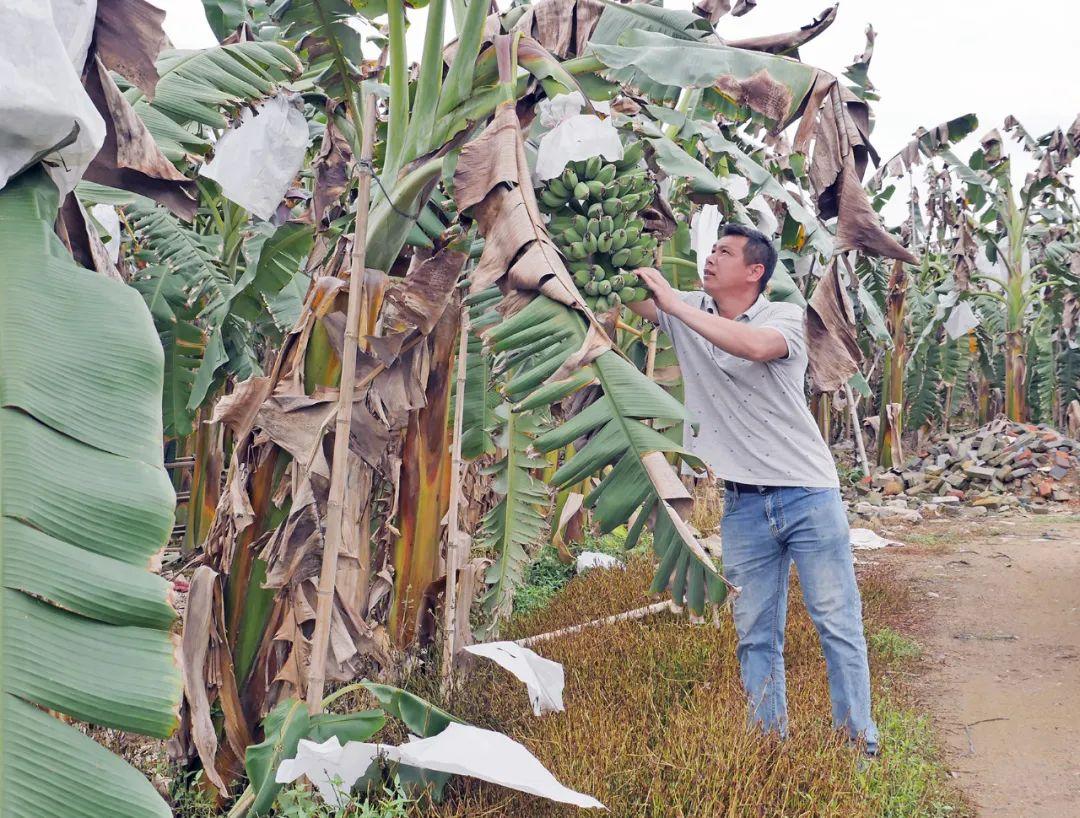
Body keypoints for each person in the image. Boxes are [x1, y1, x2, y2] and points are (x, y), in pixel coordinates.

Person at [627, 223, 879, 755]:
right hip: (742, 504)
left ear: (755, 271)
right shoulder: (690, 308)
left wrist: (675, 305)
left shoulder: (781, 317)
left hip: (807, 495)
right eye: (712, 249)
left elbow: (752, 347)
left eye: (724, 252)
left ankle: (859, 748)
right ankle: (768, 747)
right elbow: (625, 301)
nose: (710, 257)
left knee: (836, 625)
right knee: (755, 634)